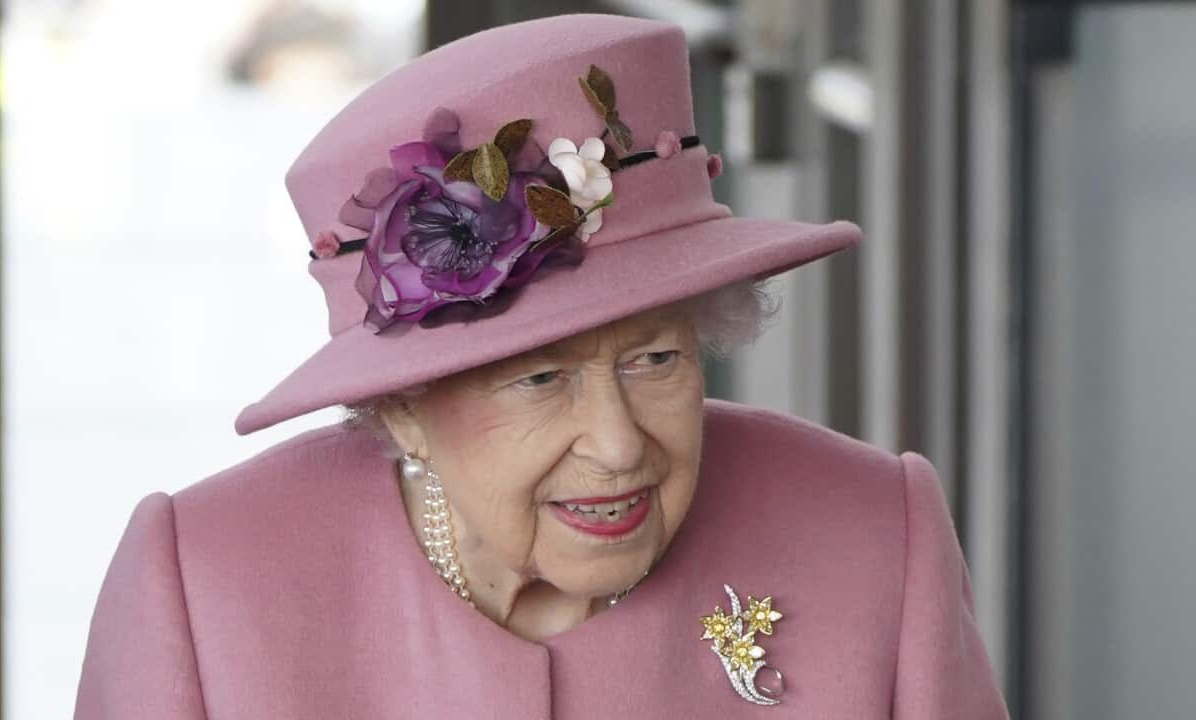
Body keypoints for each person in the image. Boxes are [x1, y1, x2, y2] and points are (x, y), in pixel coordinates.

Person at [75, 13, 1008, 719]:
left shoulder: (873, 535)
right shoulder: (206, 586)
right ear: (400, 404)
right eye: (539, 377)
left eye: (654, 357)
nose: (616, 445)